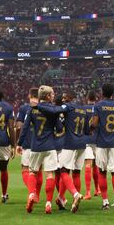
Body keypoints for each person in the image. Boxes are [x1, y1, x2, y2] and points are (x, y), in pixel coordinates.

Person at [18, 85, 70, 214]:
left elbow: (24, 128)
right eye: (52, 94)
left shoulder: (32, 109)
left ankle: (31, 195)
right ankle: (48, 203)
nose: (53, 96)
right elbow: (59, 129)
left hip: (35, 146)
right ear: (47, 96)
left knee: (32, 172)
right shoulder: (53, 111)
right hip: (50, 146)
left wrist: (19, 143)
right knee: (50, 174)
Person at [36, 91, 86, 213]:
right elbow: (87, 130)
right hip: (81, 143)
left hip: (65, 143)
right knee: (75, 173)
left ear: (71, 98)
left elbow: (57, 123)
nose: (64, 99)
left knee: (62, 171)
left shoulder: (64, 110)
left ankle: (74, 195)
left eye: (65, 97)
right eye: (62, 98)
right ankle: (61, 198)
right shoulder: (83, 110)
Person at [90, 83, 114, 212]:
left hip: (102, 143)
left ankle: (105, 201)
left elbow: (94, 123)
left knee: (102, 172)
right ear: (113, 93)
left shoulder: (98, 106)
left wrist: (89, 130)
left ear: (102, 92)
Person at [15, 88, 43, 201]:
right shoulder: (45, 108)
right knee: (38, 170)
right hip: (41, 144)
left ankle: (33, 192)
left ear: (29, 96)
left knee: (25, 169)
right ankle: (37, 195)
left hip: (27, 143)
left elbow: (19, 127)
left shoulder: (23, 109)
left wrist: (18, 143)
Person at [83, 91, 101, 200]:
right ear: (96, 98)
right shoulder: (98, 108)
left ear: (87, 98)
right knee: (96, 166)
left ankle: (88, 192)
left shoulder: (83, 108)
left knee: (88, 165)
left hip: (86, 140)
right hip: (97, 140)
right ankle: (97, 189)